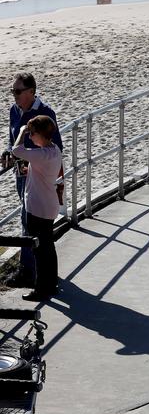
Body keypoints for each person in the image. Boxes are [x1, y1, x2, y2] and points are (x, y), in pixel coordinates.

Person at [4, 73, 63, 288]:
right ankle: (42, 275)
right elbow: (13, 142)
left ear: (31, 91)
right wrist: (7, 152)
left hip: (39, 180)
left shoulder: (45, 113)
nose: (14, 95)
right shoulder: (14, 110)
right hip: (22, 176)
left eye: (18, 91)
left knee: (31, 225)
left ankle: (30, 273)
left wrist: (53, 179)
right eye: (13, 91)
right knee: (30, 223)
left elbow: (55, 149)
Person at [11, 115, 63, 302]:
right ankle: (51, 285)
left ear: (40, 134)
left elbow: (16, 150)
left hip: (38, 208)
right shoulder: (53, 150)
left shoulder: (41, 155)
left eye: (33, 134)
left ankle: (40, 290)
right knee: (48, 247)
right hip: (49, 206)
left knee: (39, 251)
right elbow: (41, 168)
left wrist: (21, 131)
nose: (31, 136)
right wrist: (30, 170)